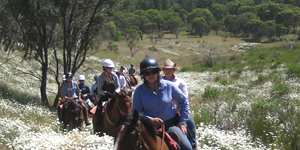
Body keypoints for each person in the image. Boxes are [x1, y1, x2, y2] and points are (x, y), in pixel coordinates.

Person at [133, 57, 193, 150]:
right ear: (143, 75)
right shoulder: (139, 91)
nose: (150, 75)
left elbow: (183, 101)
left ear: (157, 72)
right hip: (148, 127)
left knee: (187, 147)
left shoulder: (169, 86)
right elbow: (137, 112)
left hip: (170, 125)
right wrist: (150, 119)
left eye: (153, 71)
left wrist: (182, 121)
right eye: (147, 73)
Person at [162, 59, 197, 149]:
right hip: (166, 111)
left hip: (180, 110)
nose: (168, 71)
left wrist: (181, 114)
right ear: (163, 70)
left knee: (189, 122)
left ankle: (193, 145)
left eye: (170, 69)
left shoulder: (180, 82)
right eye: (166, 69)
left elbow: (185, 99)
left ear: (173, 70)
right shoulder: (159, 82)